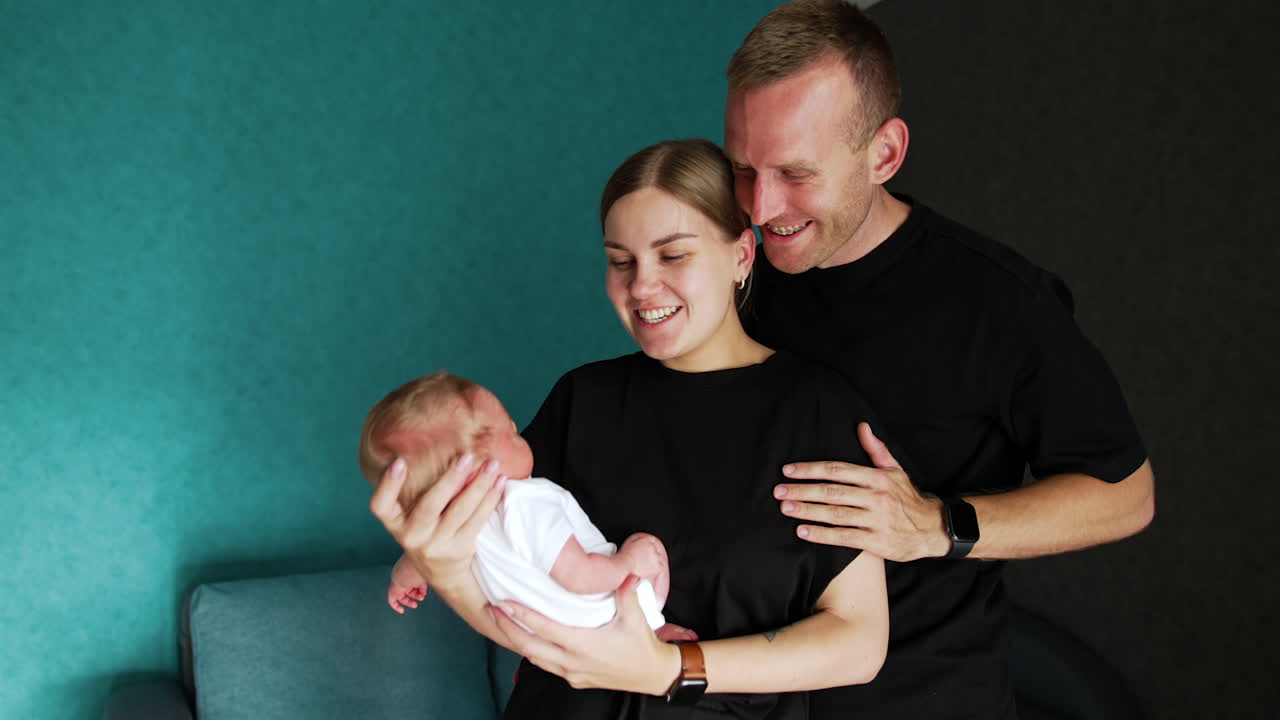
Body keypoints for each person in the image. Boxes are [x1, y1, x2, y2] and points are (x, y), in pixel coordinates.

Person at [719, 1, 1155, 718]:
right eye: (742, 168)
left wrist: (936, 527)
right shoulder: (741, 270)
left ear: (884, 154)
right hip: (755, 696)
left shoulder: (1002, 303)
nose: (762, 207)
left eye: (796, 173)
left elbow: (1126, 494)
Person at [370, 138, 893, 719]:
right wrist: (434, 566)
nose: (641, 287)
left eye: (673, 256)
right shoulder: (583, 399)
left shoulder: (815, 408)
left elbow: (859, 642)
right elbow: (511, 600)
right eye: (621, 260)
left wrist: (668, 669)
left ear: (742, 256)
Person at [357, 370, 697, 641]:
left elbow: (419, 562)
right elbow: (580, 575)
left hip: (544, 636)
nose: (521, 432)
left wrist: (402, 581)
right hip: (601, 612)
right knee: (644, 545)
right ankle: (654, 628)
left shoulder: (455, 529)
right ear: (481, 467)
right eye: (512, 434)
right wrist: (627, 562)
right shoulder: (529, 501)